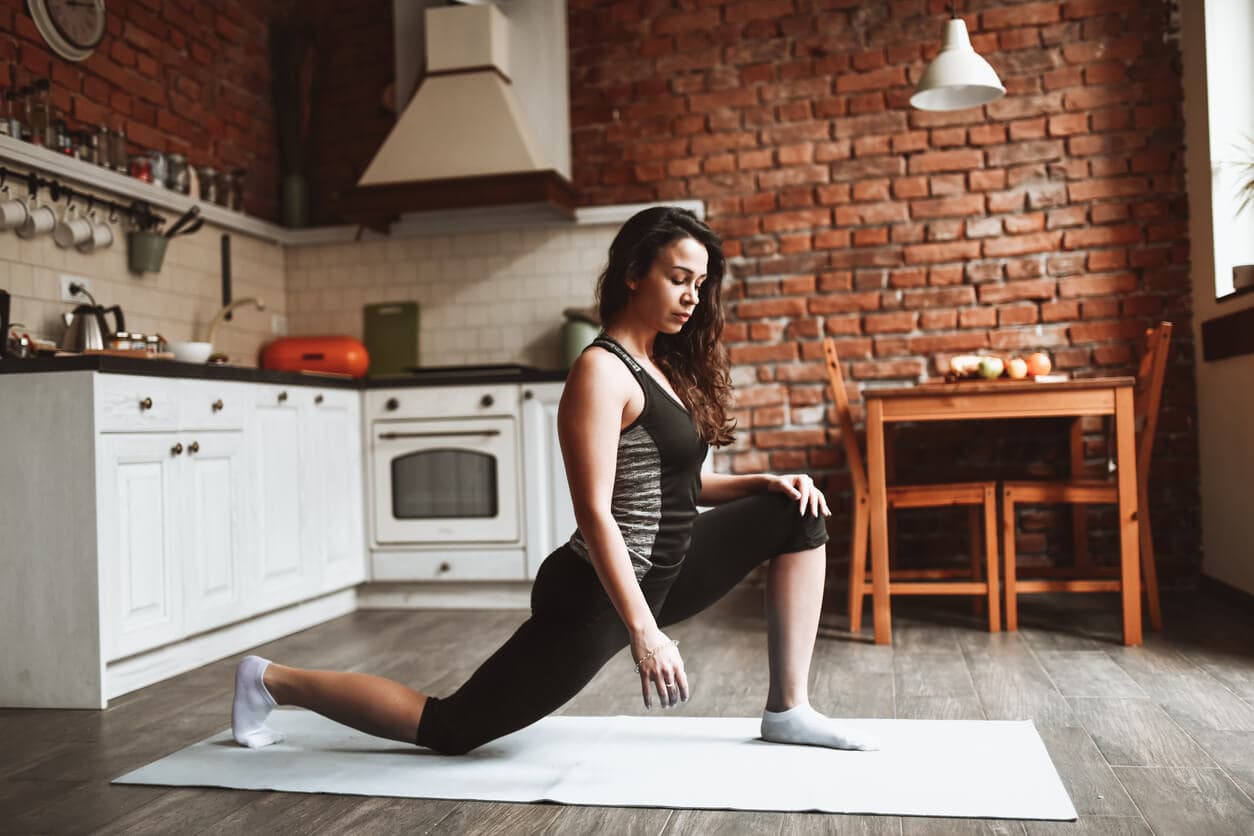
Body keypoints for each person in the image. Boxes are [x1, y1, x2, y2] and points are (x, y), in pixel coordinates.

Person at [231, 206, 878, 755]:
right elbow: (597, 512)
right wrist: (644, 633)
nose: (692, 297)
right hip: (597, 592)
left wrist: (764, 481)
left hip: (667, 571)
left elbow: (680, 491)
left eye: (700, 285)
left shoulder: (661, 366)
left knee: (795, 513)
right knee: (452, 729)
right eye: (679, 279)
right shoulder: (602, 372)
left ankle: (787, 709)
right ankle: (272, 680)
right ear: (633, 274)